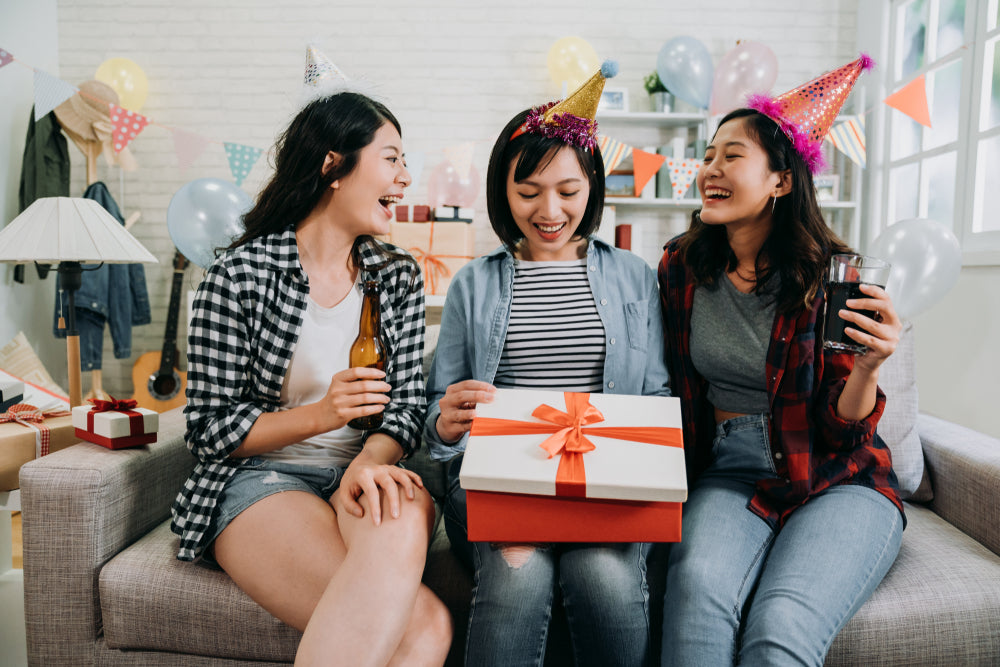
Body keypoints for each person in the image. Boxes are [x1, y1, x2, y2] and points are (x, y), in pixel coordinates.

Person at [169, 82, 451, 666]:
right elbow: (208, 428)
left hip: (364, 467)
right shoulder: (241, 274)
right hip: (261, 480)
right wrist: (321, 414)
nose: (405, 178)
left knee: (416, 575)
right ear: (334, 166)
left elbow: (406, 407)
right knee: (425, 626)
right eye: (392, 158)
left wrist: (369, 460)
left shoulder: (395, 275)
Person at [657, 55, 905, 667]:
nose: (710, 169)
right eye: (709, 155)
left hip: (839, 478)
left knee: (779, 630)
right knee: (693, 604)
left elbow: (841, 430)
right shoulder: (681, 267)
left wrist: (869, 369)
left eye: (732, 155)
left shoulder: (833, 278)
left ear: (782, 181)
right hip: (731, 472)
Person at [423, 62, 671, 667]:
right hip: (503, 483)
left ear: (592, 188)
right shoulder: (472, 286)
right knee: (517, 575)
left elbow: (660, 396)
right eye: (528, 192)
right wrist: (443, 421)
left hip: (609, 486)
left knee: (604, 581)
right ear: (502, 194)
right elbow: (435, 412)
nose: (550, 210)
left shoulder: (635, 276)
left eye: (568, 191)